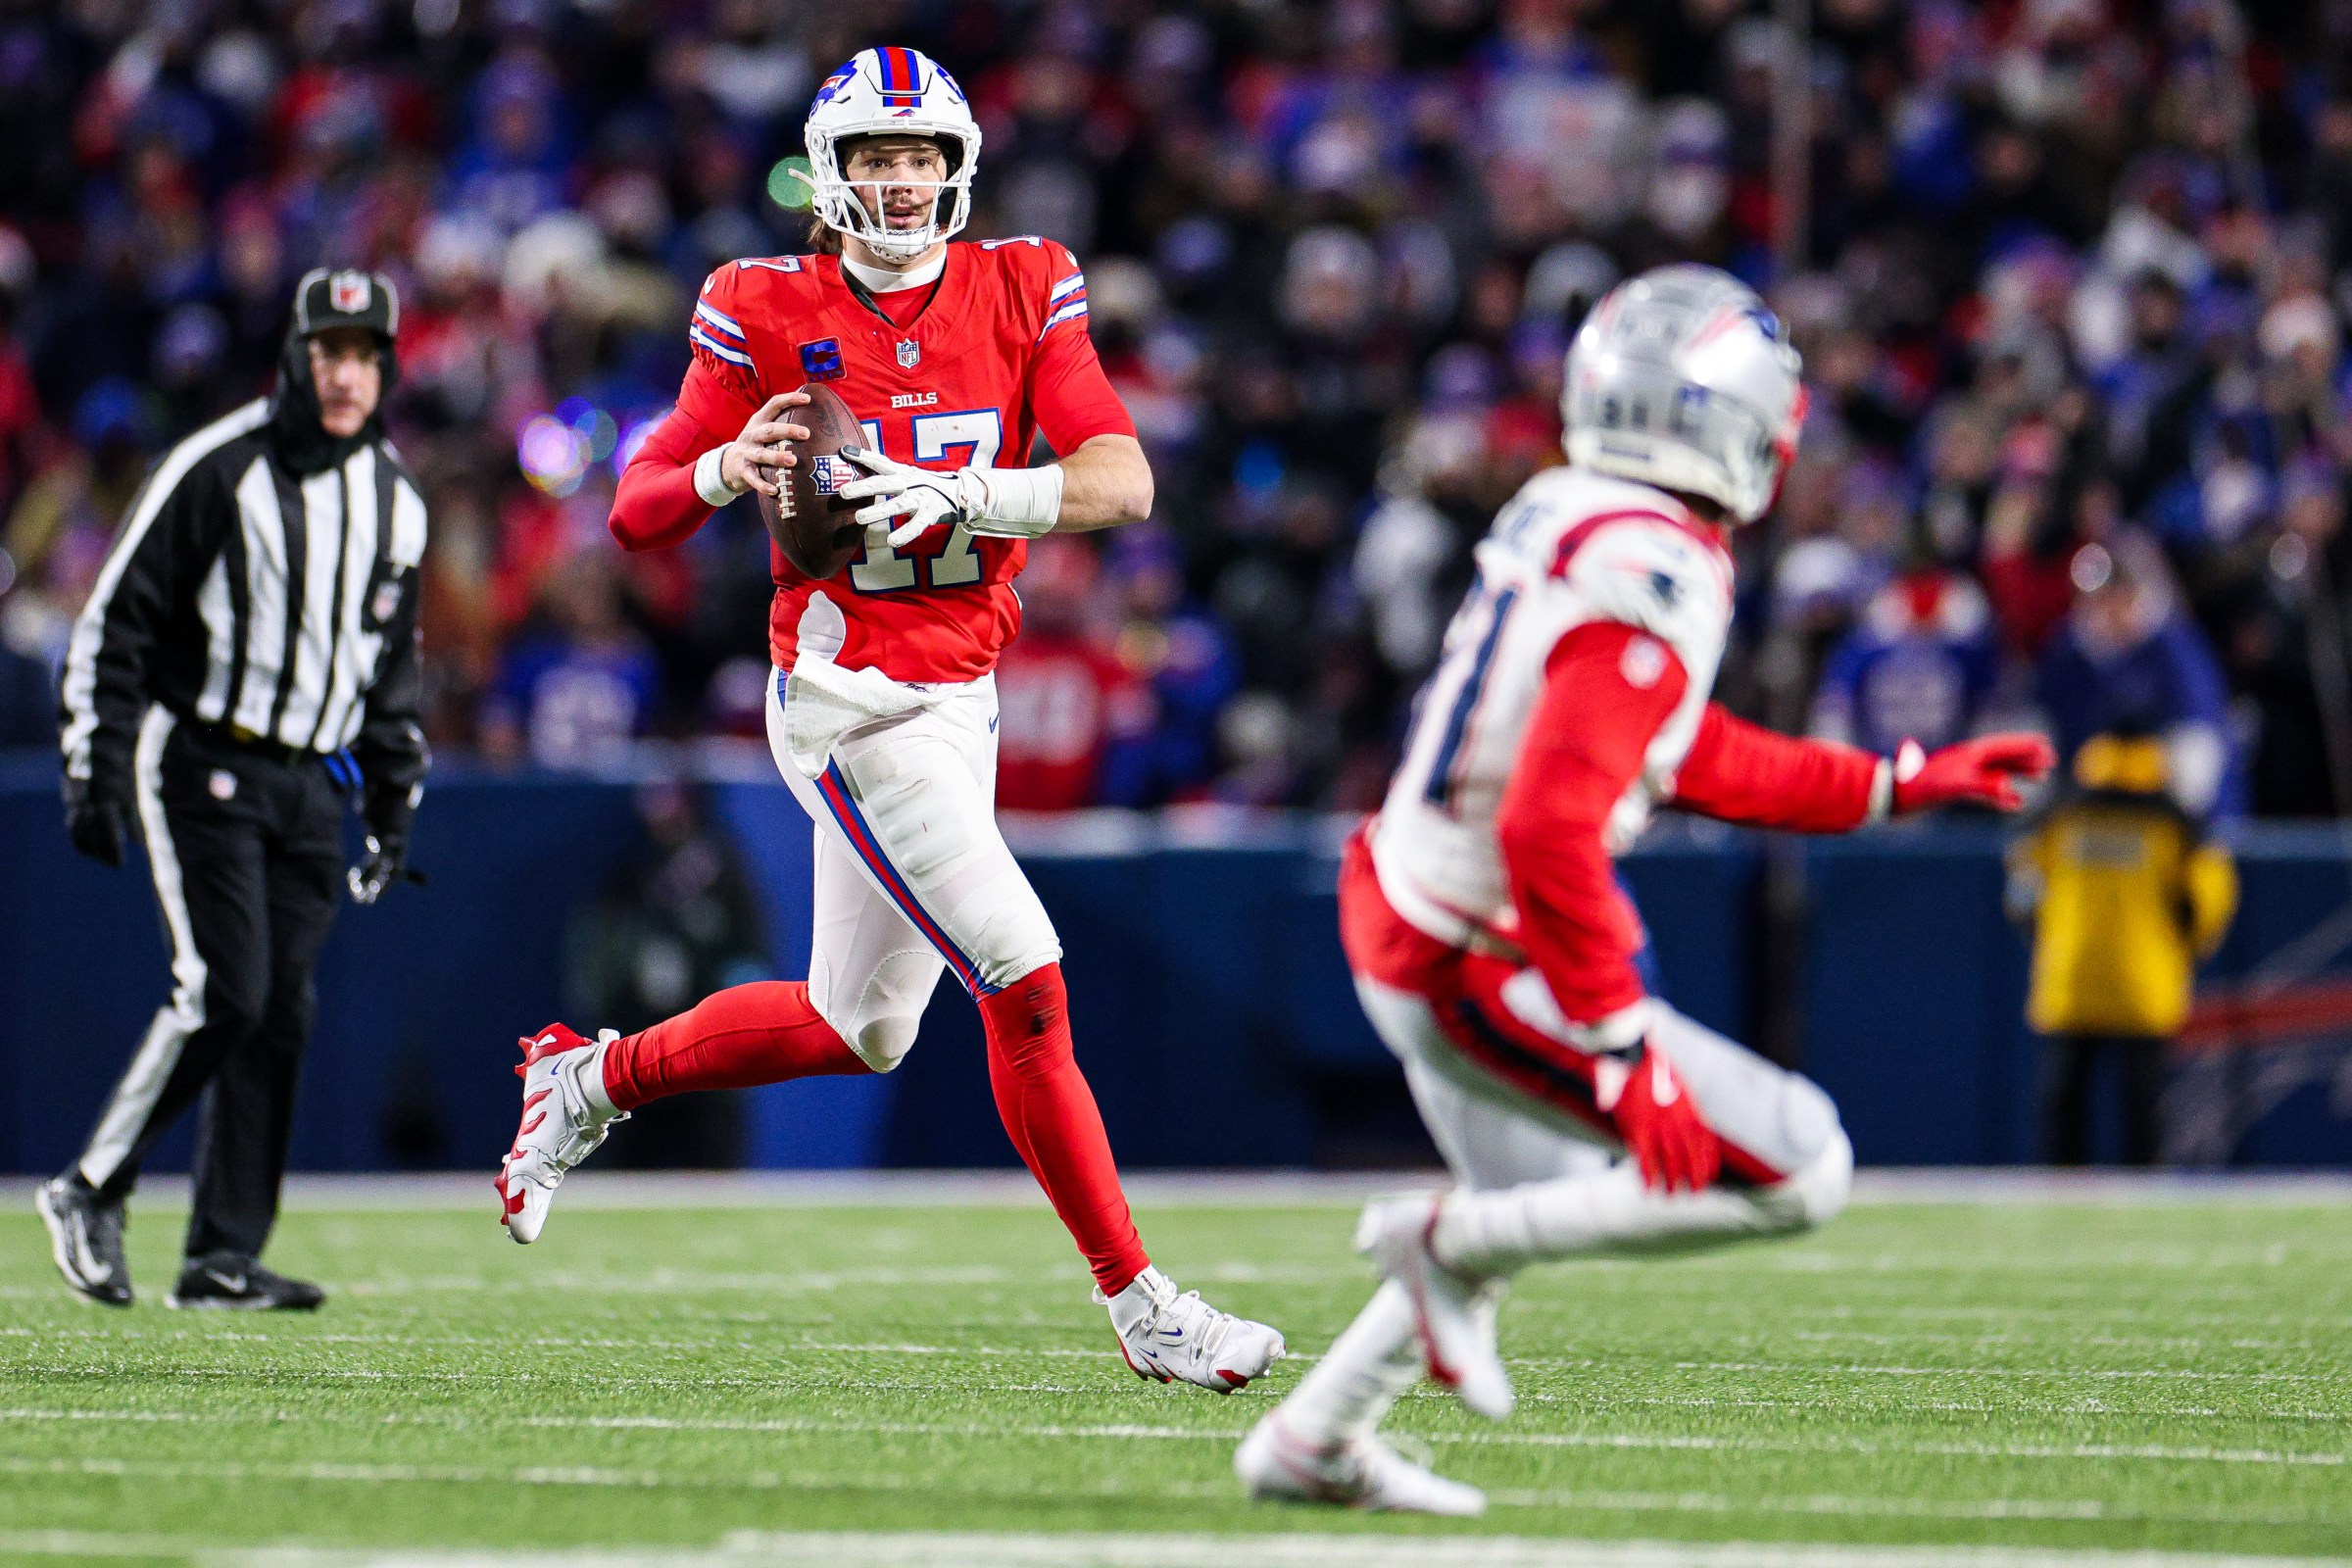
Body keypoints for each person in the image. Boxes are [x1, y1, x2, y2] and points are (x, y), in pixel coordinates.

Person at [494, 48, 1284, 1393]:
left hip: (959, 692)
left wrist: (978, 500)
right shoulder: (759, 304)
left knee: (856, 1026)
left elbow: (1122, 479)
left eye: (921, 156)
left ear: (957, 165)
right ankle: (1145, 1304)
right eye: (876, 157)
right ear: (833, 173)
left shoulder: (1026, 283)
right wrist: (718, 464)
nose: (903, 180)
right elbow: (633, 508)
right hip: (853, 703)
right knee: (1026, 981)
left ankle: (587, 1082)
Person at [1234, 267, 2054, 1512]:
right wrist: (1623, 1045)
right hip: (1472, 947)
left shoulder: (1578, 506)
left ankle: (1314, 1440)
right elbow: (1553, 825)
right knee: (1798, 1166)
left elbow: (1686, 751)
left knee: (1540, 1205)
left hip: (1413, 905)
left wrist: (1894, 781)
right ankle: (1438, 1241)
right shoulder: (1659, 566)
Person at [38, 269, 429, 1310]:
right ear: (295, 359)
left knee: (280, 1016)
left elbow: (390, 672)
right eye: (327, 351)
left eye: (364, 355)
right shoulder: (217, 468)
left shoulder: (394, 499)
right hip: (201, 757)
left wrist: (392, 800)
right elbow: (115, 623)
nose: (345, 373)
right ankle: (89, 1188)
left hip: (310, 782)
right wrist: (92, 765)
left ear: (385, 368)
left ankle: (219, 1254)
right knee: (227, 989)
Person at [2009, 729, 2237, 1164]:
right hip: (2143, 981)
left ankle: (2057, 1201)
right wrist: (2184, 948)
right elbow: (2208, 897)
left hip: (2071, 977)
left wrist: (2043, 938)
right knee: (2144, 1109)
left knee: (2064, 1105)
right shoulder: (2177, 821)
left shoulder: (2064, 810)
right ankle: (2146, 1202)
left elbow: (2023, 888)